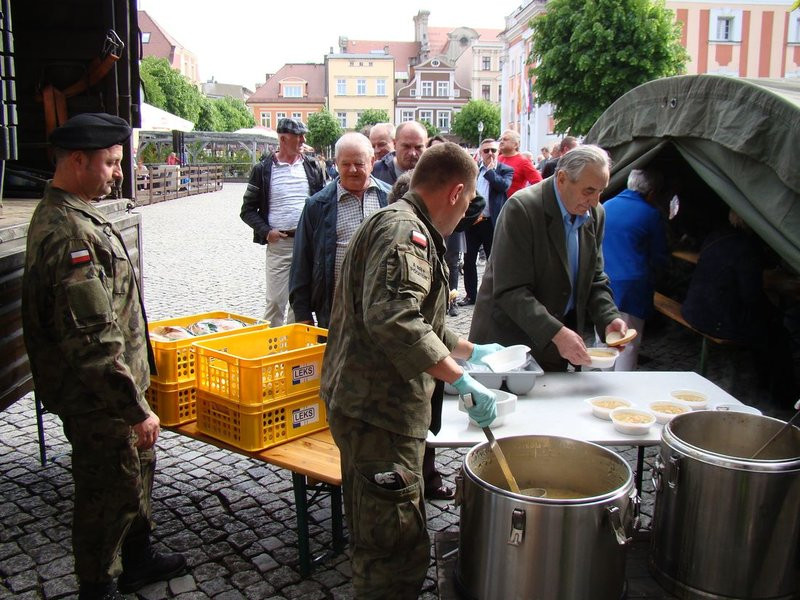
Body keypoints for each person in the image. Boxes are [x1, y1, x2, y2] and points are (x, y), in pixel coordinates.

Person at [322, 142, 502, 598]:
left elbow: (422, 318)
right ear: (456, 192)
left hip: (374, 408)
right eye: (468, 201)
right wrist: (459, 379)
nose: (465, 213)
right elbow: (395, 318)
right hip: (379, 413)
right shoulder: (406, 232)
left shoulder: (401, 222)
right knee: (392, 548)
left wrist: (471, 351)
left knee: (386, 528)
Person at [21, 113, 186, 600]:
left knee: (135, 473)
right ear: (78, 161)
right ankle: (97, 586)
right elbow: (91, 339)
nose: (119, 172)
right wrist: (133, 408)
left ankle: (138, 557)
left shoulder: (77, 213)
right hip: (101, 400)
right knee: (107, 491)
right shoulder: (70, 233)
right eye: (111, 162)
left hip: (116, 392)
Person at [470, 145, 627, 372]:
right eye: (588, 191)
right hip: (510, 344)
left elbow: (594, 278)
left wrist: (608, 317)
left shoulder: (595, 213)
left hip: (554, 345)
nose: (594, 201)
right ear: (562, 179)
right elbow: (510, 290)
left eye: (600, 191)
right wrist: (556, 332)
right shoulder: (522, 209)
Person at [682, 210, 798, 408]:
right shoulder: (747, 248)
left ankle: (769, 386)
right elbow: (750, 295)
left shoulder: (717, 235)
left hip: (694, 309)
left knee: (769, 328)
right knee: (777, 335)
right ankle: (782, 397)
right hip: (715, 320)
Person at [289, 133, 391, 328]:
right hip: (336, 313)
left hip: (383, 312)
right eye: (345, 164)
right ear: (336, 163)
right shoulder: (317, 205)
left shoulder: (390, 198)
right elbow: (301, 262)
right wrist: (303, 316)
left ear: (372, 162)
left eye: (359, 164)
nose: (352, 170)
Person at [240, 117, 325, 325]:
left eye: (303, 136)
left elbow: (323, 202)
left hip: (307, 243)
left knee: (300, 303)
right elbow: (247, 210)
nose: (303, 140)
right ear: (283, 139)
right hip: (280, 244)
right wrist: (266, 231)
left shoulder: (313, 167)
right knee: (275, 302)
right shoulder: (263, 169)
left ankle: (293, 344)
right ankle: (272, 343)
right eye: (299, 136)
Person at [602, 169, 669, 370]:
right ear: (652, 191)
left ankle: (601, 378)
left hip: (602, 280)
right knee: (627, 342)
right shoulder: (651, 214)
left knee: (603, 336)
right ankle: (623, 385)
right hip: (632, 286)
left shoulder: (606, 206)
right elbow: (659, 254)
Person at [459, 138, 513, 307]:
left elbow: (503, 186)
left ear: (498, 152)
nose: (490, 153)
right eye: (486, 150)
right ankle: (471, 295)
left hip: (492, 223)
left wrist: (490, 172)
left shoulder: (505, 170)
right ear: (480, 153)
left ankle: (494, 295)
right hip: (473, 222)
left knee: (493, 261)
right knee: (469, 260)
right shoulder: (474, 170)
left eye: (493, 150)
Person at [371, 121, 427, 185]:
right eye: (406, 146)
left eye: (418, 147)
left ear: (426, 146)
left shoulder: (434, 173)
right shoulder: (375, 171)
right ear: (395, 144)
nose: (412, 153)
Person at [497, 129, 542, 197]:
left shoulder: (523, 162)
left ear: (515, 144)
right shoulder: (497, 159)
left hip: (513, 202)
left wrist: (525, 199)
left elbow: (538, 184)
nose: (501, 142)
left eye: (505, 139)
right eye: (501, 139)